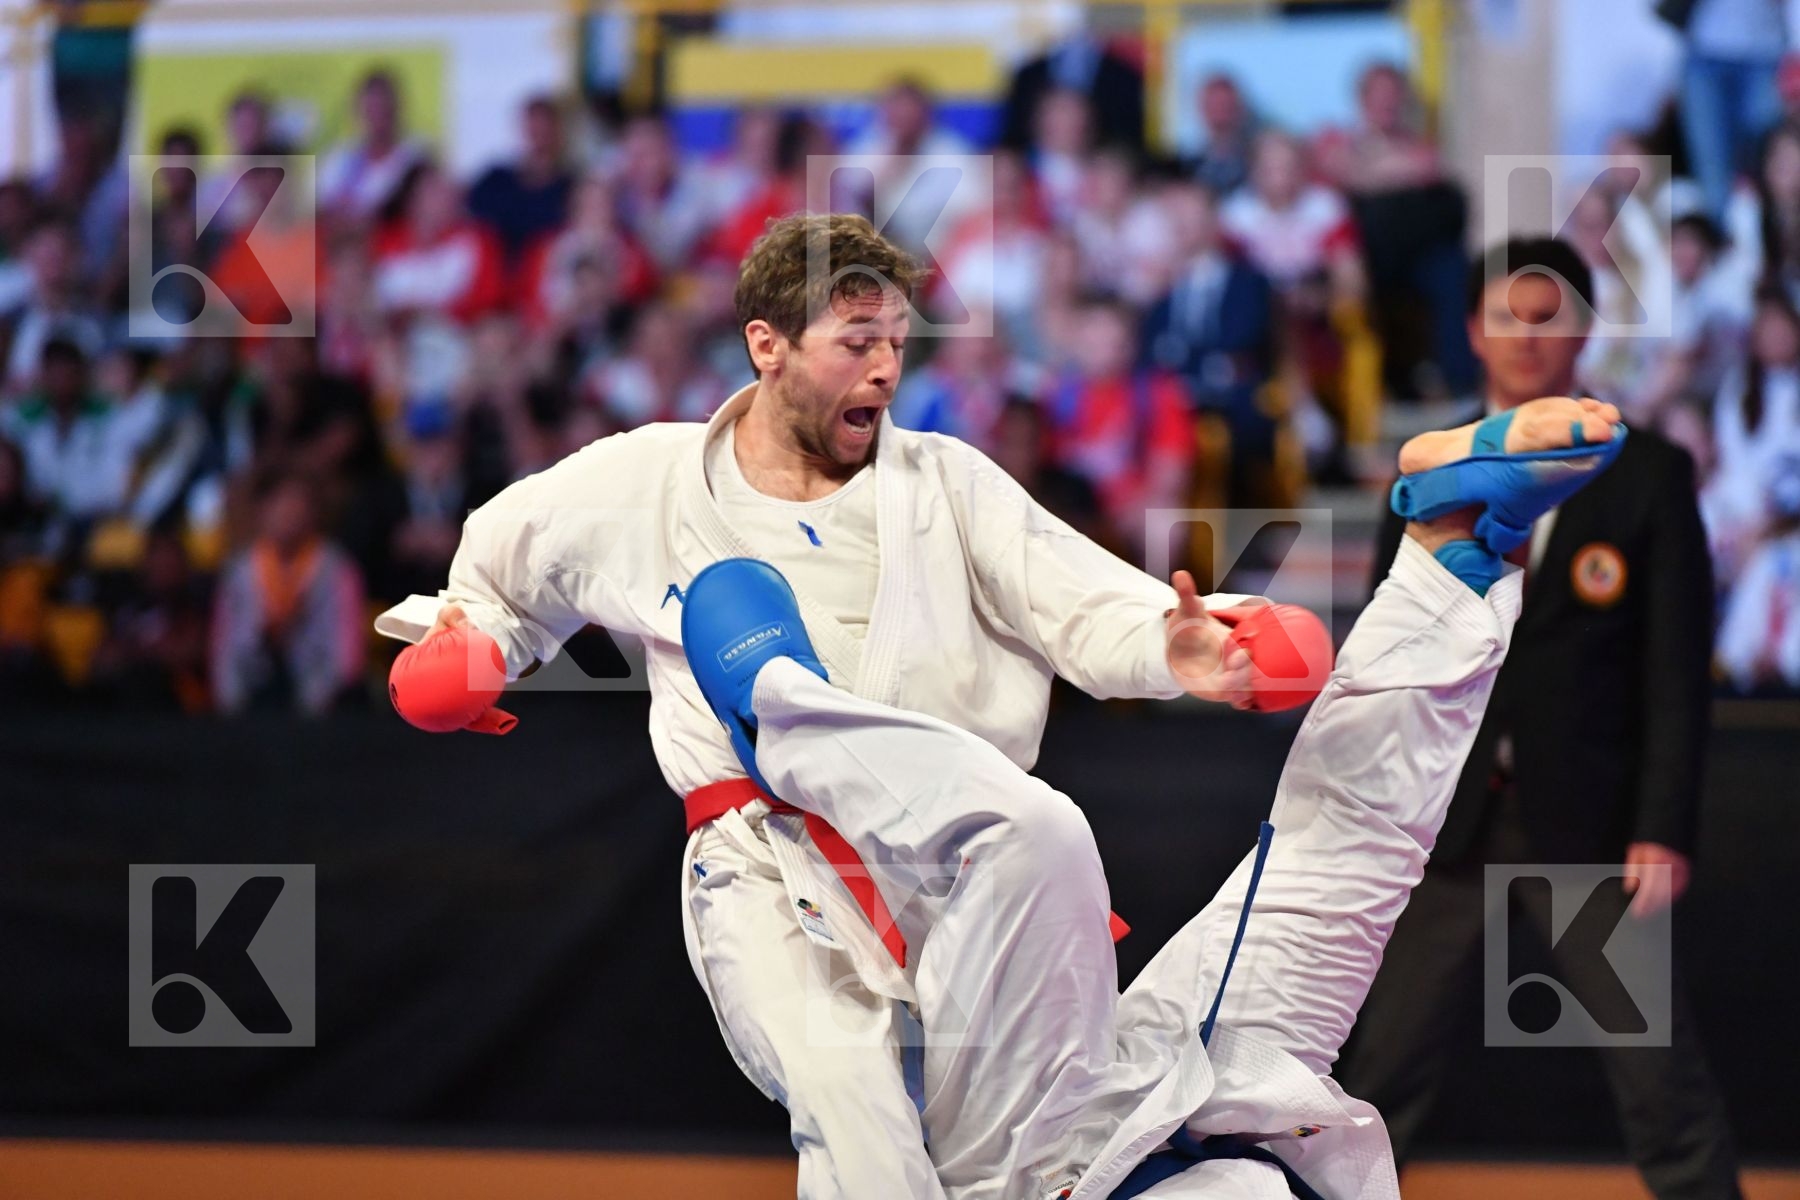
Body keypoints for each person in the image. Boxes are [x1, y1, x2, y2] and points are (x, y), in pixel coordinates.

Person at [379, 212, 1627, 1198]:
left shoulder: (945, 484)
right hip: (776, 870)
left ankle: (1449, 561)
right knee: (879, 1090)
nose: (885, 366)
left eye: (897, 341)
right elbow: (503, 570)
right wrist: (475, 641)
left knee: (1145, 876)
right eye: (854, 340)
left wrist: (1179, 645)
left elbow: (1082, 603)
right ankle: (1454, 570)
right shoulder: (639, 481)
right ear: (766, 344)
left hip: (973, 891)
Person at [1336, 237, 1743, 1200]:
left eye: (1547, 313)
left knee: (1660, 1085)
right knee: (1374, 1079)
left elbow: (1676, 671)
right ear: (1475, 330)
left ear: (1586, 331)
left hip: (1591, 827)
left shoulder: (1648, 474)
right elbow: (1386, 648)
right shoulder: (1433, 467)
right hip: (1442, 817)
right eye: (1506, 314)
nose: (1526, 336)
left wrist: (1662, 826)